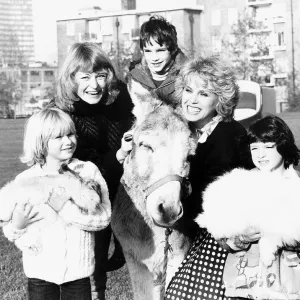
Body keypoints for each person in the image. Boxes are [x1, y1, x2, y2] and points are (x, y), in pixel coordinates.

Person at [118, 55, 253, 299]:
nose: (192, 100)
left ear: (220, 99)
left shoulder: (228, 134)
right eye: (189, 90)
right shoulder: (192, 130)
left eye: (203, 94)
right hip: (202, 231)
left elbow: (213, 190)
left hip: (220, 236)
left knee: (184, 292)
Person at [0, 108, 111, 300]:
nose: (68, 141)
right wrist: (17, 226)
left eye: (70, 134)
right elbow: (10, 230)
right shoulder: (26, 180)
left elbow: (103, 219)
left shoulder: (87, 171)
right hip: (39, 273)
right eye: (58, 137)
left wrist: (65, 208)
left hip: (78, 273)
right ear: (41, 142)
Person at [52, 42, 134, 300]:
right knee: (87, 274)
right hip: (83, 204)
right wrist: (119, 154)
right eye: (85, 77)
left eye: (100, 76)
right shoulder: (64, 116)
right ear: (71, 79)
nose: (94, 85)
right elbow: (83, 171)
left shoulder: (119, 108)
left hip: (121, 200)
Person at [220, 114, 300, 299]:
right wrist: (241, 238)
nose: (260, 154)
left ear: (283, 145)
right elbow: (222, 238)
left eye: (268, 147)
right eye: (254, 148)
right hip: (244, 286)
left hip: (289, 286)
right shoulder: (238, 184)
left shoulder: (296, 185)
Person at [127, 15, 187, 109]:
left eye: (160, 50)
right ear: (142, 51)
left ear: (173, 49)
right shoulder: (134, 77)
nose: (154, 58)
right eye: (148, 51)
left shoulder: (188, 76)